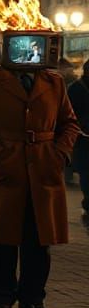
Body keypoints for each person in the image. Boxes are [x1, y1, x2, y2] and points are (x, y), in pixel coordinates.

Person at [0, 53, 80, 308]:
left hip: (43, 171)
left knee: (38, 242)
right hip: (5, 172)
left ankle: (32, 300)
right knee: (0, 242)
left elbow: (69, 123)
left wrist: (59, 155)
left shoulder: (53, 81)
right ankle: (1, 300)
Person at [67, 61, 89, 219]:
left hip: (81, 138)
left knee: (85, 173)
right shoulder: (75, 88)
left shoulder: (74, 88)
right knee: (86, 173)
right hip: (82, 139)